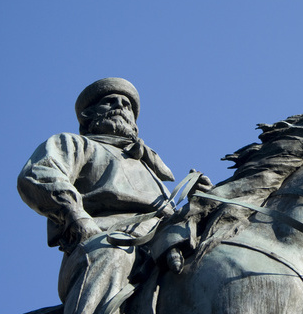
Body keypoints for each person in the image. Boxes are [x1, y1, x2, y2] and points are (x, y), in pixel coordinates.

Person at [18, 77, 211, 314]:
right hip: (109, 239)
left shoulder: (148, 165)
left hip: (164, 240)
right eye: (110, 102)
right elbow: (39, 174)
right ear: (88, 116)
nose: (120, 106)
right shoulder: (74, 143)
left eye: (126, 105)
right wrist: (77, 217)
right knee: (112, 256)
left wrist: (200, 203)